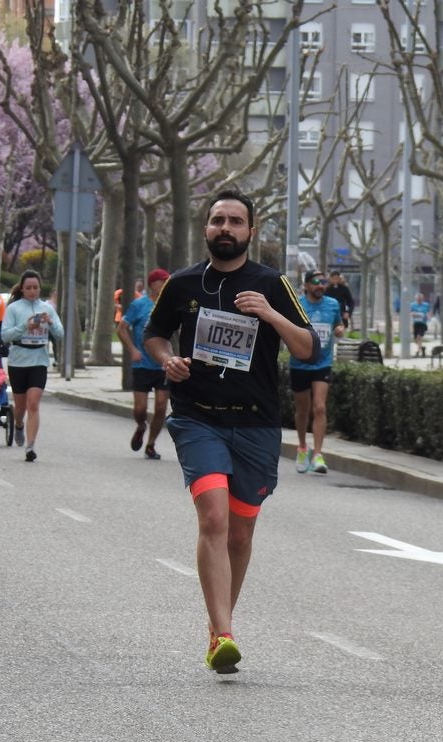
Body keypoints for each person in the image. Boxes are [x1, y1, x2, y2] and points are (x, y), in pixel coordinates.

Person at [143, 188, 319, 675]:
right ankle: (223, 633)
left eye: (235, 221)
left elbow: (307, 348)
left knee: (240, 534)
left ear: (250, 231)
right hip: (198, 417)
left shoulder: (271, 283)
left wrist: (268, 313)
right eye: (217, 219)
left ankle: (219, 622)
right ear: (206, 229)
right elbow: (154, 335)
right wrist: (167, 360)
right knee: (214, 519)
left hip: (257, 424)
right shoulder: (181, 285)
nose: (225, 228)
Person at [1, 270, 64, 462]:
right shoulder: (13, 309)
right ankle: (18, 423)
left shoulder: (46, 308)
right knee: (20, 407)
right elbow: (5, 336)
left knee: (33, 403)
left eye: (35, 288)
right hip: (18, 360)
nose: (32, 291)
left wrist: (50, 323)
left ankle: (30, 446)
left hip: (39, 360)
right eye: (28, 288)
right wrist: (25, 327)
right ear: (22, 288)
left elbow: (60, 334)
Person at [292, 270, 344, 474]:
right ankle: (303, 447)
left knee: (320, 407)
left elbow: (339, 323)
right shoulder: (298, 305)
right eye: (315, 282)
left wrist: (339, 329)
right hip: (300, 363)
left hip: (322, 363)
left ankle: (318, 455)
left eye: (323, 282)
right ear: (306, 286)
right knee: (303, 409)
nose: (320, 285)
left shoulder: (332, 304)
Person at [117, 268, 172, 459]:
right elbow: (121, 329)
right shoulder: (139, 305)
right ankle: (141, 425)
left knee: (160, 406)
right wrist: (133, 350)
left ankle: (151, 444)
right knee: (140, 409)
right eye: (162, 281)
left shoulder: (169, 304)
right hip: (142, 364)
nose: (166, 284)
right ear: (152, 284)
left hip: (163, 363)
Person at [409, 292, 430, 357]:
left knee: (419, 337)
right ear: (416, 299)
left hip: (423, 323)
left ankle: (418, 351)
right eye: (418, 299)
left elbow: (428, 313)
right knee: (415, 339)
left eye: (420, 299)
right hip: (415, 323)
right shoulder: (412, 305)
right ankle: (422, 348)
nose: (419, 300)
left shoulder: (426, 305)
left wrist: (427, 316)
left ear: (422, 299)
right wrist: (413, 314)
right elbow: (410, 313)